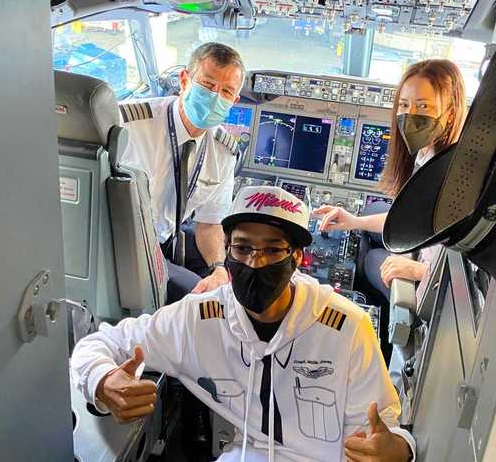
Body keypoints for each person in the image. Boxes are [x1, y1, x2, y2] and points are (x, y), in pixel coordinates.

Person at [71, 185, 416, 461]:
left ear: (297, 257)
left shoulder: (347, 327)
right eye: (243, 248)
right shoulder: (200, 319)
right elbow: (95, 345)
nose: (255, 261)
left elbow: (386, 433)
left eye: (272, 250)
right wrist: (103, 380)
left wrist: (399, 451)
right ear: (227, 251)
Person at [314, 60, 467, 301]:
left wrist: (419, 271)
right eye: (404, 105)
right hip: (424, 242)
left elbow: (470, 269)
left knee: (370, 259)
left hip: (436, 281)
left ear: (450, 113)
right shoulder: (428, 152)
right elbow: (412, 217)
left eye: (424, 106)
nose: (410, 115)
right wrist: (353, 221)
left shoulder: (458, 178)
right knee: (372, 211)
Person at [119, 43, 245, 303]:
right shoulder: (129, 124)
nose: (215, 96)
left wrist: (219, 269)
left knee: (229, 281)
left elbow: (210, 223)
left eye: (226, 91)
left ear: (235, 100)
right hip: (120, 244)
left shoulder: (223, 152)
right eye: (208, 85)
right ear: (184, 80)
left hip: (162, 243)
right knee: (202, 302)